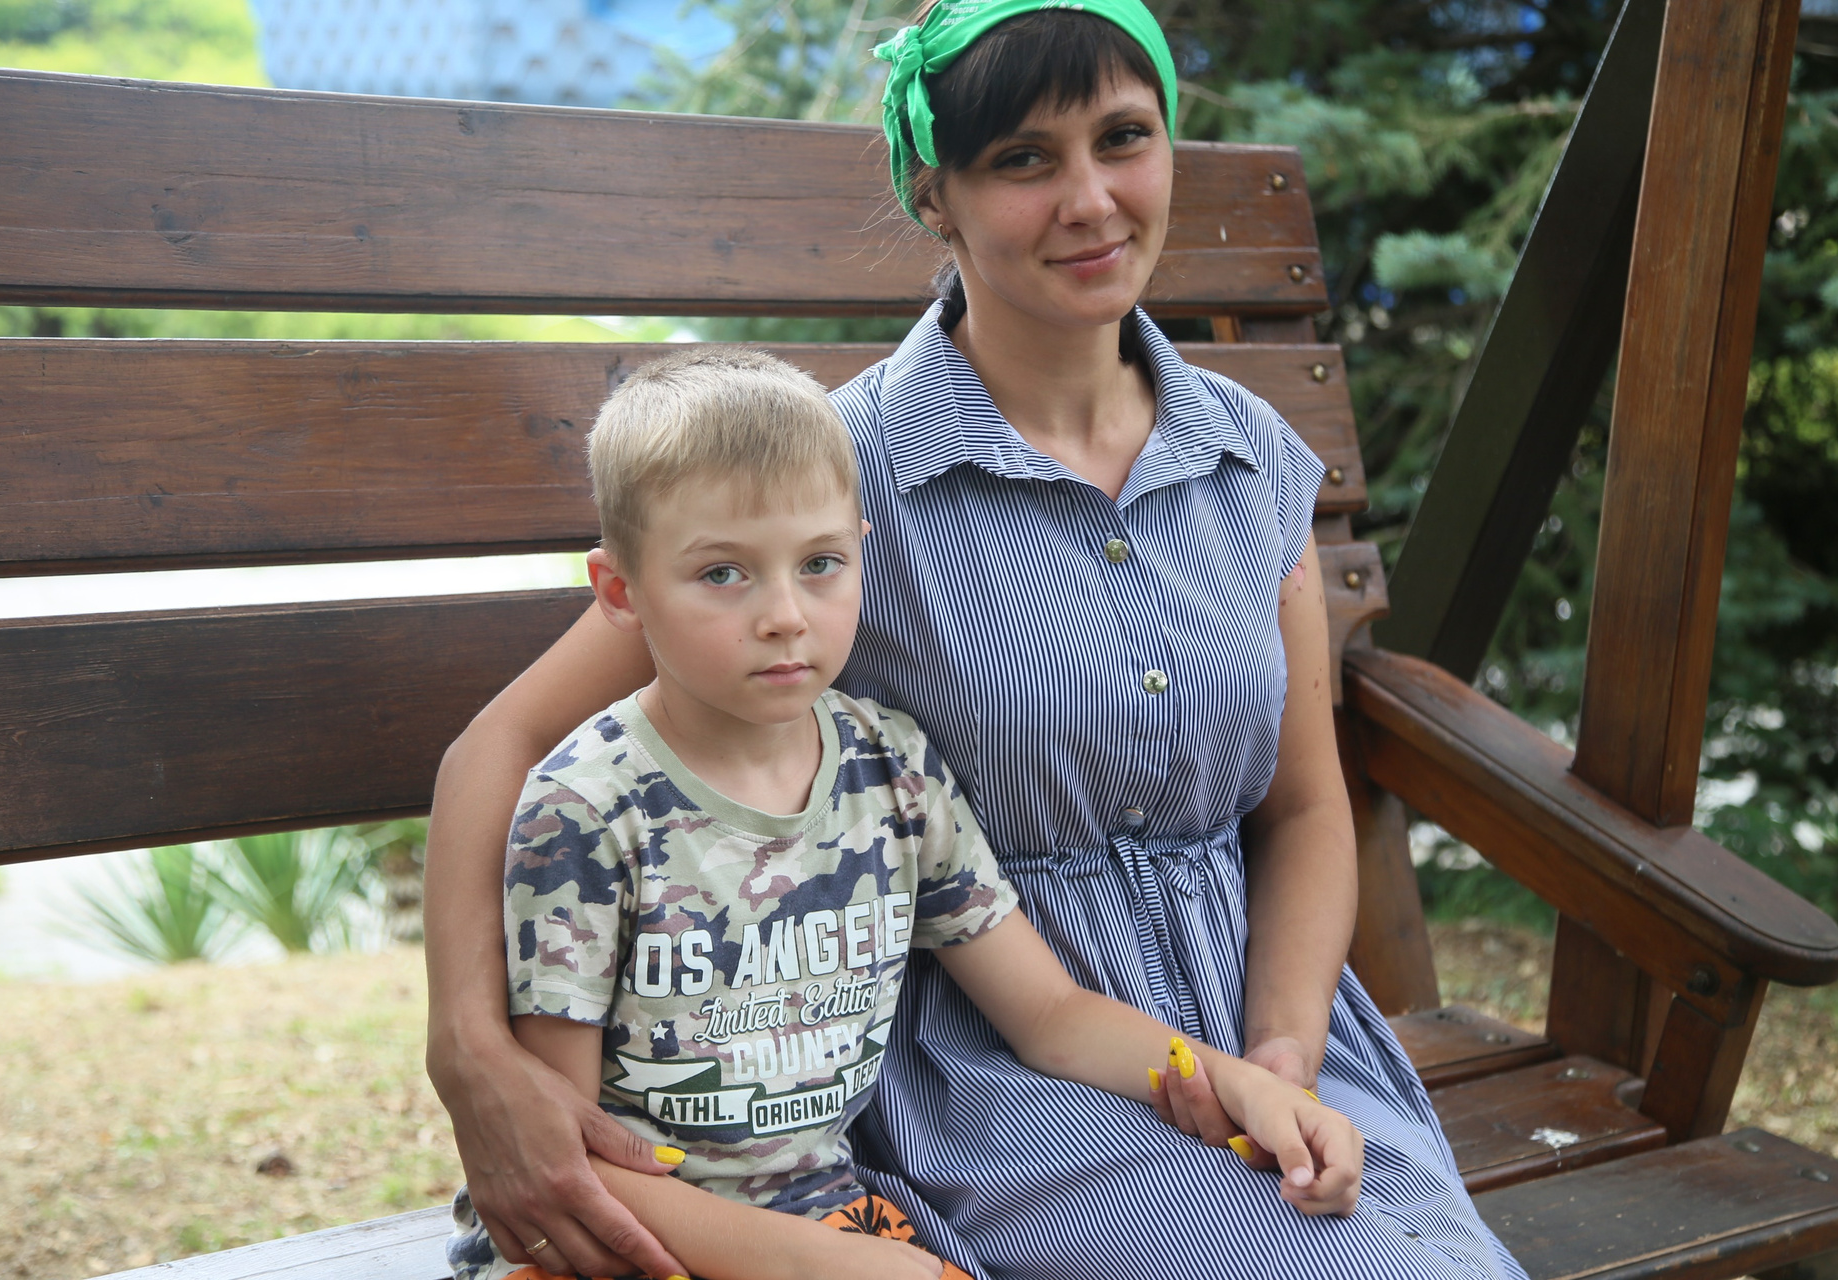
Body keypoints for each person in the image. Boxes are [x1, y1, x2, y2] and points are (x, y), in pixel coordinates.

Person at [423, 1, 1531, 1276]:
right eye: (1024, 159)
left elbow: (1303, 806)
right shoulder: (830, 484)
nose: (1091, 199)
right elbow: (505, 741)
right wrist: (469, 1050)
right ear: (933, 194)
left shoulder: (1250, 459)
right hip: (992, 1063)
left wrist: (1278, 1045)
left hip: (1250, 1025)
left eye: (1124, 138)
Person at [444, 350, 1362, 1280]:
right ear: (620, 592)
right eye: (723, 574)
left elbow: (1050, 1013)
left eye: (820, 564)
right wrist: (809, 1265)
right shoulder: (587, 812)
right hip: (614, 1241)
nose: (784, 615)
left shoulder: (892, 774)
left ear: (862, 553)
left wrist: (1239, 1083)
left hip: (824, 1211)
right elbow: (570, 1153)